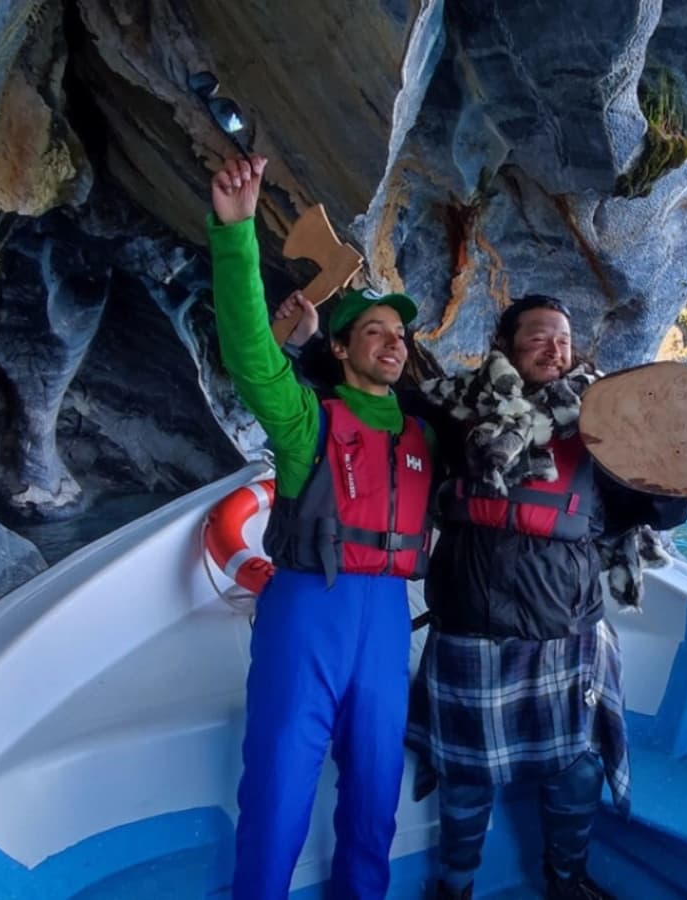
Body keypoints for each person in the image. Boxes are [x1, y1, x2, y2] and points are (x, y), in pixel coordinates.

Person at [406, 295, 687, 900]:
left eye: (562, 338)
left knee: (577, 771)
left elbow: (660, 509)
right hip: (469, 630)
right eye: (537, 336)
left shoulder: (602, 434)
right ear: (507, 346)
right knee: (465, 779)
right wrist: (308, 348)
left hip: (568, 636)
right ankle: (453, 888)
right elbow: (382, 396)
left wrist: (680, 471)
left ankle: (567, 883)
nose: (554, 348)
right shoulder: (459, 415)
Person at [208, 154, 437, 899]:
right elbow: (250, 355)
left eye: (398, 334)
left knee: (374, 800)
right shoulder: (310, 422)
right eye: (372, 332)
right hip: (308, 609)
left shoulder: (429, 438)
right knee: (278, 792)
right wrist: (236, 231)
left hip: (386, 621)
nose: (391, 342)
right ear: (339, 350)